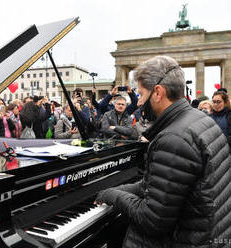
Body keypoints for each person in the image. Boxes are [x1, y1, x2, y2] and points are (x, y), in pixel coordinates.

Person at [95, 55, 231, 248]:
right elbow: (154, 186)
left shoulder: (173, 139)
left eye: (141, 94)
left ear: (158, 92)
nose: (139, 103)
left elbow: (152, 221)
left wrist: (114, 196)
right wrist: (114, 190)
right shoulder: (201, 119)